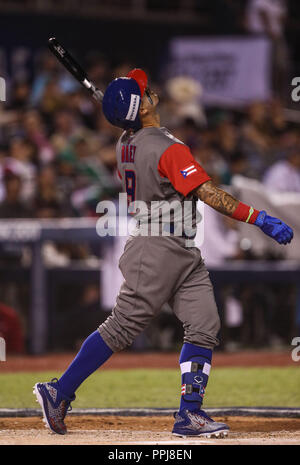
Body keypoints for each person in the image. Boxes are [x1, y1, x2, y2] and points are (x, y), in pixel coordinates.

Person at [33, 69, 293, 438]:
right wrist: (258, 217)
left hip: (181, 248)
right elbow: (209, 194)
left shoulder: (128, 139)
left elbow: (138, 131)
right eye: (145, 90)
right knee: (121, 327)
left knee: (204, 325)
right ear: (140, 107)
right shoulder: (165, 147)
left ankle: (190, 414)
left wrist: (126, 110)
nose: (151, 89)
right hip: (156, 248)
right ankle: (58, 391)